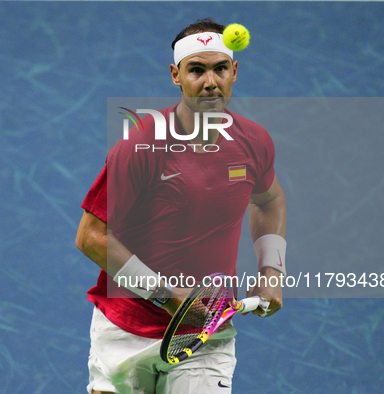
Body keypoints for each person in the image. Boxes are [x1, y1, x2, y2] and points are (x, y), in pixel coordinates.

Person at [75, 18, 287, 394]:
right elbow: (91, 236)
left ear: (234, 71)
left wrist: (272, 269)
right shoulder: (141, 146)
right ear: (176, 75)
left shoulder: (254, 142)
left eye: (220, 68)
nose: (210, 82)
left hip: (206, 335)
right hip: (124, 330)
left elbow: (269, 201)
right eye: (197, 70)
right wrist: (169, 297)